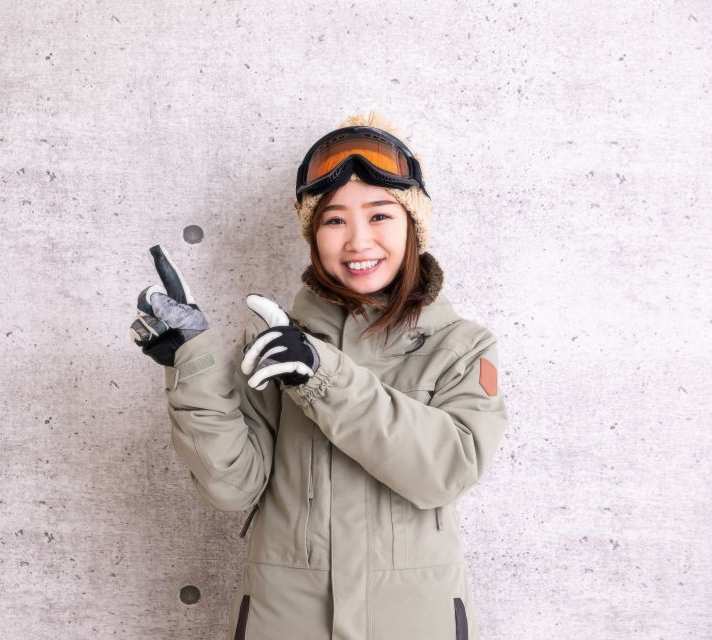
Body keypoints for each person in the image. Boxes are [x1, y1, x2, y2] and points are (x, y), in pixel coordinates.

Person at [130, 110, 508, 640]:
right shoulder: (271, 346)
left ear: (412, 227)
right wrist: (192, 361)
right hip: (284, 619)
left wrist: (320, 376)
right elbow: (233, 486)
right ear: (312, 234)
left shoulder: (461, 346)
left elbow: (445, 469)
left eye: (380, 215)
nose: (358, 241)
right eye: (334, 220)